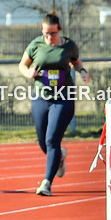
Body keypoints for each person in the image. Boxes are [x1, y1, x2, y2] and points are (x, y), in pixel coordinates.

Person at [18, 13, 90, 196]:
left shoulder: (68, 46)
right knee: (43, 142)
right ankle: (59, 156)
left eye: (53, 33)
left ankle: (46, 183)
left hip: (63, 97)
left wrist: (82, 71)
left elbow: (76, 61)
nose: (50, 37)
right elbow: (22, 65)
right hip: (41, 97)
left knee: (52, 139)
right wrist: (29, 73)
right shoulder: (36, 45)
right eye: (46, 34)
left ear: (59, 30)